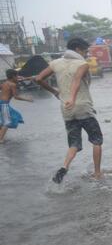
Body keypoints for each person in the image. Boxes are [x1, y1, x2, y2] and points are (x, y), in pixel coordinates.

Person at [35, 37, 104, 183]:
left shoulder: (55, 63)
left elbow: (39, 79)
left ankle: (64, 166)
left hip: (66, 109)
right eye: (85, 50)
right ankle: (97, 173)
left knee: (74, 143)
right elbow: (76, 81)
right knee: (96, 140)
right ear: (78, 49)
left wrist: (54, 92)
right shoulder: (82, 64)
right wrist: (72, 98)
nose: (86, 54)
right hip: (83, 107)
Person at [0, 69, 33, 144]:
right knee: (7, 122)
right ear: (13, 76)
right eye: (17, 76)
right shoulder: (12, 85)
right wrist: (27, 99)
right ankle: (0, 139)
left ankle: (1, 136)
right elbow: (16, 97)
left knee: (13, 116)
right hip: (4, 104)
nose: (18, 77)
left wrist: (24, 78)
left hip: (1, 103)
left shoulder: (4, 83)